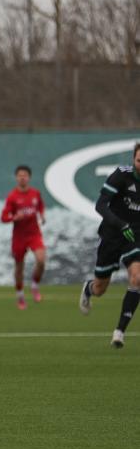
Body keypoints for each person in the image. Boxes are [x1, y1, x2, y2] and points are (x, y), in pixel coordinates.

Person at [79, 143, 140, 348]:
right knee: (100, 288)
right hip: (113, 234)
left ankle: (119, 332)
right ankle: (89, 289)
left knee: (137, 278)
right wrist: (120, 224)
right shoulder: (121, 175)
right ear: (134, 159)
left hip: (135, 236)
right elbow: (100, 205)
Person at [1, 165, 46, 309]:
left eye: (25, 175)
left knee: (41, 260)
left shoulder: (35, 193)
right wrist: (14, 217)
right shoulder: (12, 196)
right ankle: (20, 295)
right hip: (19, 236)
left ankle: (34, 285)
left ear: (29, 177)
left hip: (34, 234)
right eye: (20, 175)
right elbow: (4, 217)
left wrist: (42, 215)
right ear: (16, 178)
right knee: (19, 267)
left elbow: (40, 206)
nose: (22, 178)